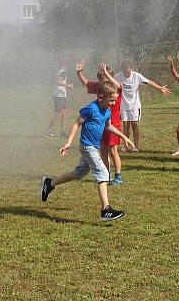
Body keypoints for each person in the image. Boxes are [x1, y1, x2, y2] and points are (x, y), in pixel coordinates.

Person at [40, 82, 134, 222]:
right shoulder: (91, 109)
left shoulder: (107, 111)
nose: (114, 103)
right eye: (111, 100)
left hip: (93, 147)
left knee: (78, 173)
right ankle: (106, 210)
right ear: (101, 97)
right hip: (87, 146)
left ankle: (49, 183)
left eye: (115, 100)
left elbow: (109, 126)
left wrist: (124, 137)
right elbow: (77, 123)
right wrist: (68, 143)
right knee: (103, 173)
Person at [76, 61, 125, 185]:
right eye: (100, 79)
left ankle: (118, 177)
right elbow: (86, 83)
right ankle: (106, 175)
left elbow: (118, 86)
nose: (101, 82)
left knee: (113, 151)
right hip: (101, 125)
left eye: (103, 78)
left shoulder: (115, 89)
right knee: (103, 151)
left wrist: (107, 76)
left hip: (113, 125)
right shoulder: (101, 88)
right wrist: (79, 72)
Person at [114, 60, 171, 152]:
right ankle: (126, 146)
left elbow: (149, 82)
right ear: (122, 70)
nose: (126, 74)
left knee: (135, 124)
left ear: (131, 69)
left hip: (135, 105)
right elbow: (110, 82)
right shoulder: (117, 76)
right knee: (125, 125)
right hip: (123, 105)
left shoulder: (137, 76)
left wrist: (160, 88)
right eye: (125, 72)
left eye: (128, 72)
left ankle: (135, 146)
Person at [44, 62, 73, 138]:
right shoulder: (63, 72)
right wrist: (68, 86)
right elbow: (58, 82)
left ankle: (63, 132)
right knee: (58, 114)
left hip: (62, 96)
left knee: (64, 114)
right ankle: (48, 132)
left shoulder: (58, 72)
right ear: (64, 65)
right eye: (67, 65)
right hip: (58, 96)